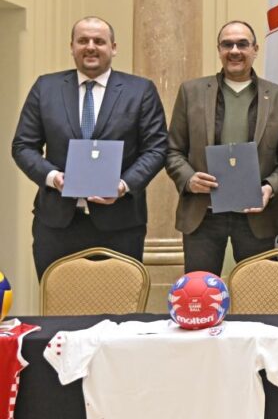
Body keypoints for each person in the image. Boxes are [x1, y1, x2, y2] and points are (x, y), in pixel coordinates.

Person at [12, 16, 168, 279]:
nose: (91, 47)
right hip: (56, 224)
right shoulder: (45, 88)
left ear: (113, 48)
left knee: (119, 301)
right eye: (83, 41)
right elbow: (23, 146)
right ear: (72, 47)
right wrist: (53, 178)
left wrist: (123, 185)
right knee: (59, 301)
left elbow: (157, 148)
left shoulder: (140, 91)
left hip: (121, 224)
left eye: (99, 41)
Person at [165, 20, 278, 275]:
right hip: (203, 213)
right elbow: (173, 150)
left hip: (256, 213)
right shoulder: (191, 92)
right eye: (227, 44)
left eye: (242, 44)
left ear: (255, 49)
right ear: (219, 50)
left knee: (257, 291)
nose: (234, 50)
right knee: (200, 290)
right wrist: (189, 179)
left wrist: (270, 187)